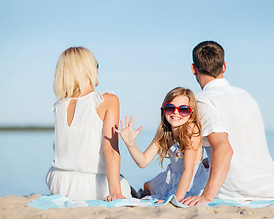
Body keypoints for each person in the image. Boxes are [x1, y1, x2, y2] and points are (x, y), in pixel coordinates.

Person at [182, 41, 274, 206]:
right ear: (224, 66)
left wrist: (207, 196)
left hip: (237, 192)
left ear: (194, 69)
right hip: (269, 188)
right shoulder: (245, 95)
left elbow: (225, 149)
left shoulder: (202, 101)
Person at [46, 47, 131, 201]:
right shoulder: (107, 101)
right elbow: (110, 150)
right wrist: (116, 192)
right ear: (87, 69)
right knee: (125, 186)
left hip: (57, 183)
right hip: (89, 186)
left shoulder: (59, 105)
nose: (98, 70)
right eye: (96, 65)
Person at [116, 87, 208, 202]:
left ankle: (139, 194)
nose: (175, 112)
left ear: (191, 113)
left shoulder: (190, 130)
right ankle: (140, 193)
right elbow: (143, 161)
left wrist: (175, 200)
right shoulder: (165, 131)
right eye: (170, 108)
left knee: (153, 190)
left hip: (190, 180)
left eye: (183, 110)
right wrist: (130, 143)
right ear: (163, 110)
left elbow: (188, 170)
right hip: (172, 176)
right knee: (146, 185)